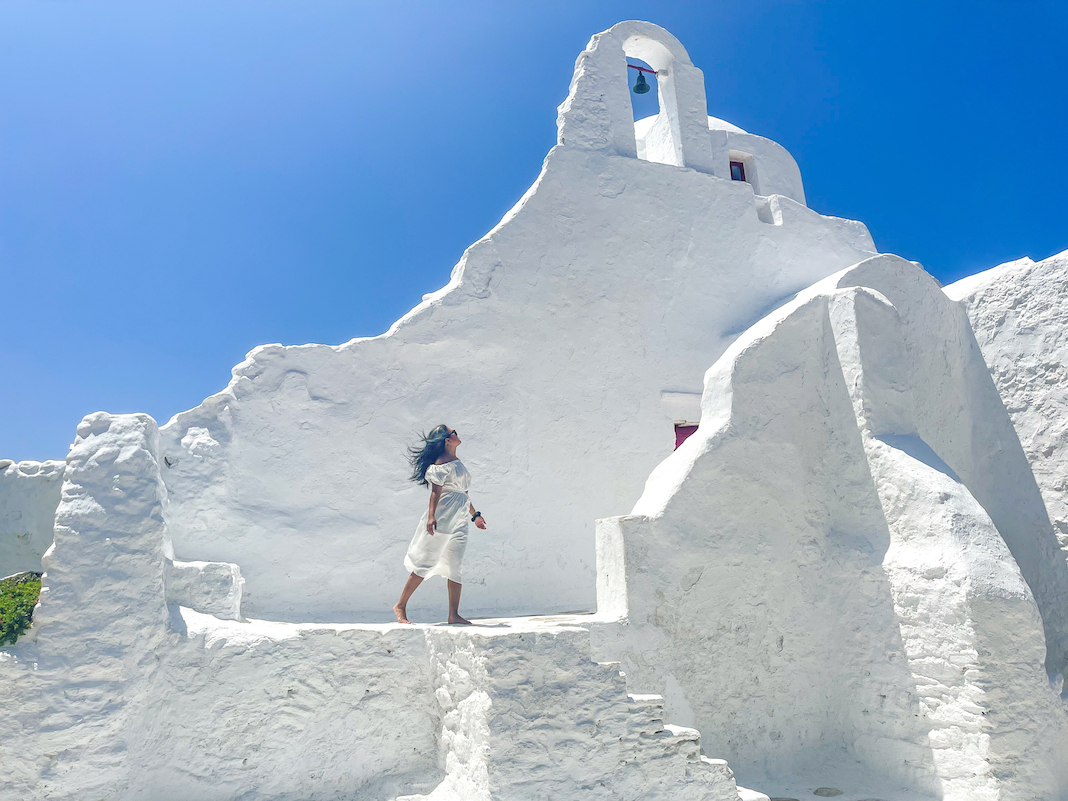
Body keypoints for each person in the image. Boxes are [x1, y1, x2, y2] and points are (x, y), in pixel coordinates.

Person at [394, 424, 487, 625]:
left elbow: (464, 493)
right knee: (426, 561)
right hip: (444, 517)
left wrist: (475, 515)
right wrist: (431, 516)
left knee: (456, 565)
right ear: (447, 439)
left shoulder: (457, 462)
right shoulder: (441, 463)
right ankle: (400, 605)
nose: (457, 433)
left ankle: (453, 614)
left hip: (460, 518)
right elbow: (435, 492)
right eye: (454, 432)